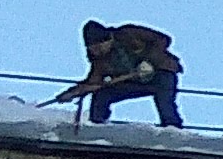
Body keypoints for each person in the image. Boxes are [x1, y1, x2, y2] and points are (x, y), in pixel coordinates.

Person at [55, 22, 184, 127]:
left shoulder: (128, 33)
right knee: (102, 95)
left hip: (161, 75)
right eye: (92, 49)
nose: (97, 51)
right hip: (134, 82)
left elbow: (163, 39)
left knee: (165, 104)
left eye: (99, 47)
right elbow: (94, 83)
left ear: (108, 40)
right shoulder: (100, 60)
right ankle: (97, 127)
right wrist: (72, 93)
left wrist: (149, 61)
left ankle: (172, 130)